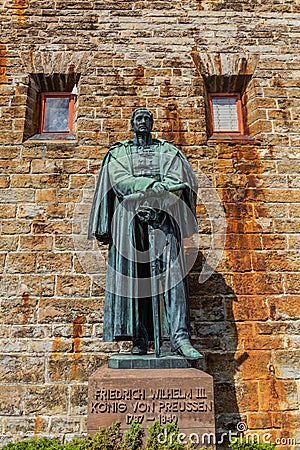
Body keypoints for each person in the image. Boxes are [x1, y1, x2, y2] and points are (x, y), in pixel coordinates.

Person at [88, 107, 202, 359]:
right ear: (132, 123)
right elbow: (120, 180)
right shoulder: (119, 152)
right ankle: (139, 339)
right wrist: (151, 187)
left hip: (163, 218)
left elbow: (177, 181)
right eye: (139, 118)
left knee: (172, 275)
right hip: (128, 219)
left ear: (152, 124)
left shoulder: (168, 151)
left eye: (147, 119)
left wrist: (159, 204)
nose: (143, 122)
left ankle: (180, 337)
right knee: (134, 280)